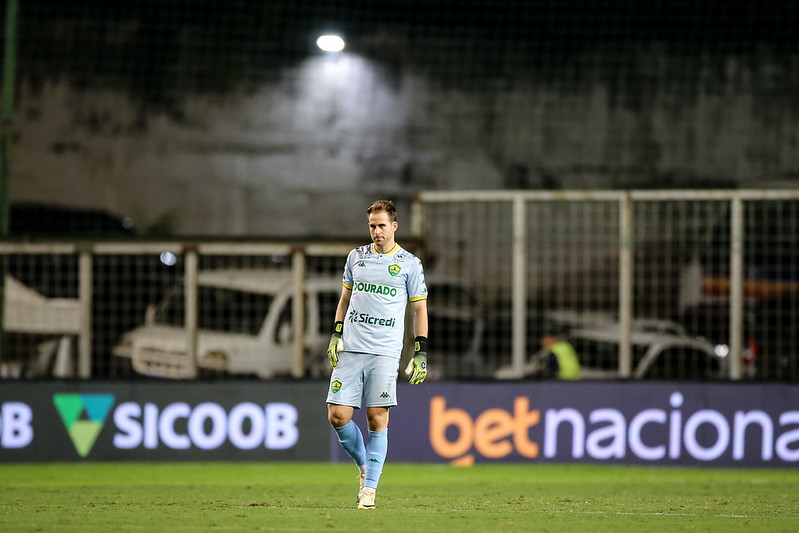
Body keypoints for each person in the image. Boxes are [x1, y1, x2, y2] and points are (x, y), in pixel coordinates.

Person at [326, 199, 429, 510]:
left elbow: (419, 309)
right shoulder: (356, 258)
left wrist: (420, 351)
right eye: (372, 225)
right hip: (352, 348)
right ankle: (365, 467)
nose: (377, 231)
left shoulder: (409, 264)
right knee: (337, 415)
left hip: (384, 352)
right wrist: (336, 332)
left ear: (394, 226)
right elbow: (344, 300)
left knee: (376, 417)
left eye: (382, 225)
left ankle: (369, 492)